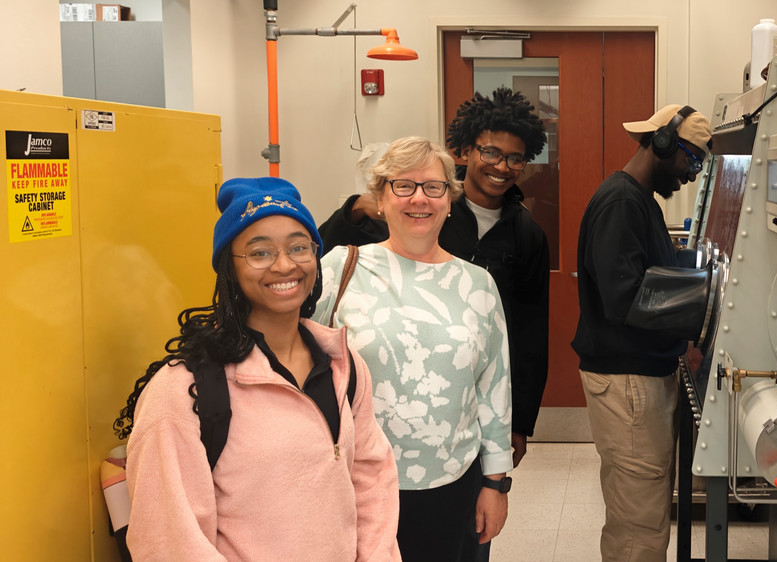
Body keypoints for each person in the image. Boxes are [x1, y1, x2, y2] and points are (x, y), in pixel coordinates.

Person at [114, 177, 400, 561]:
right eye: (259, 253)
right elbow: (169, 540)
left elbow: (371, 479)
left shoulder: (341, 364)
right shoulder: (185, 390)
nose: (284, 265)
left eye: (299, 247)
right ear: (228, 269)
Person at [318, 86, 548, 469]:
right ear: (467, 150)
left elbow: (528, 333)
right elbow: (326, 262)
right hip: (384, 420)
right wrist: (356, 211)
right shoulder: (422, 208)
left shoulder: (527, 234)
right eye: (491, 152)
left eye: (515, 159)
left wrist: (519, 422)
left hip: (469, 400)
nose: (501, 166)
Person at [313, 136, 513, 562]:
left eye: (433, 187)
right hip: (355, 483)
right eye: (403, 186)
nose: (419, 198)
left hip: (454, 485)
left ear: (448, 199)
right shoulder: (340, 269)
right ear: (380, 199)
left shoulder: (477, 285)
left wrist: (496, 485)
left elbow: (494, 390)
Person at [572, 104, 712, 562]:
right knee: (639, 523)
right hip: (628, 381)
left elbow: (652, 271)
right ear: (662, 143)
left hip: (641, 375)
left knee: (642, 508)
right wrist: (700, 306)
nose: (691, 175)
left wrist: (700, 277)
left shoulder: (639, 201)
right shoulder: (621, 203)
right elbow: (625, 298)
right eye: (690, 161)